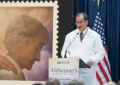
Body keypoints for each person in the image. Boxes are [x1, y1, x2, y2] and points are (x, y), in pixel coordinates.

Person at [61, 13, 105, 85]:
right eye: (77, 22)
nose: (78, 25)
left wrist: (92, 60)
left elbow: (101, 53)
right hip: (73, 71)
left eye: (80, 22)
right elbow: (64, 52)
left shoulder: (95, 36)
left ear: (86, 22)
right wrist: (70, 60)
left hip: (88, 71)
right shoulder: (70, 36)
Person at [0, 15, 49, 80]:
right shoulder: (7, 74)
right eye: (36, 48)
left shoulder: (16, 73)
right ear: (19, 41)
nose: (38, 58)